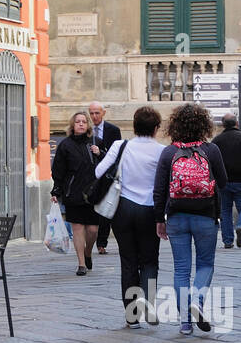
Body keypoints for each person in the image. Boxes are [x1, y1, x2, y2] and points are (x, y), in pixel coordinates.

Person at [153, 103, 228, 336]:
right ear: (203, 125)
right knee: (205, 264)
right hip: (205, 216)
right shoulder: (212, 150)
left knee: (181, 269)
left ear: (175, 125)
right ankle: (198, 298)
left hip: (176, 216)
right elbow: (223, 183)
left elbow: (159, 190)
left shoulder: (168, 152)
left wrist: (159, 219)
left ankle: (185, 322)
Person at [95, 106, 164, 328]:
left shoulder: (120, 146)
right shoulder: (162, 151)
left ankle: (132, 316)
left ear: (134, 127)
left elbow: (98, 172)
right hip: (150, 210)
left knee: (128, 261)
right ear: (156, 128)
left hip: (122, 208)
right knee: (150, 260)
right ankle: (150, 304)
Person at [51, 111, 101, 276]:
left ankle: (88, 252)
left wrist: (99, 153)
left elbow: (108, 165)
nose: (81, 124)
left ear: (88, 125)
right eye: (78, 121)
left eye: (84, 122)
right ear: (72, 125)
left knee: (93, 230)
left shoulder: (95, 143)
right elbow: (58, 170)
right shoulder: (65, 145)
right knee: (78, 228)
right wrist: (56, 190)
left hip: (93, 193)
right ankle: (81, 264)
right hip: (73, 192)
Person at [211, 112, 241, 249]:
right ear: (236, 123)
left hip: (223, 182)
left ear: (223, 125)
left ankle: (228, 241)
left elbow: (212, 162)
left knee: (225, 211)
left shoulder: (217, 141)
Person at [88, 101, 123, 254]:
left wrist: (100, 153)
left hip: (107, 175)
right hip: (90, 173)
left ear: (103, 113)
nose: (94, 116)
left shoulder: (113, 130)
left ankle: (102, 243)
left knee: (106, 207)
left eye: (97, 113)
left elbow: (117, 153)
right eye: (92, 113)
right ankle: (91, 239)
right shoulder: (86, 130)